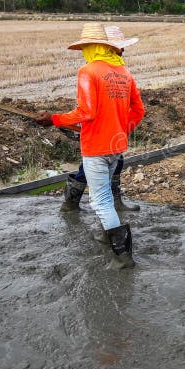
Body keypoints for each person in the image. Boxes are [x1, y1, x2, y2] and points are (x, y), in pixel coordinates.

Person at [36, 22, 145, 269]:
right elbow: (139, 110)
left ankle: (122, 256)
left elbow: (86, 111)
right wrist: (121, 128)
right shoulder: (125, 74)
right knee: (106, 192)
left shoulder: (88, 72)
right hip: (116, 145)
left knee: (101, 201)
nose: (84, 52)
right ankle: (108, 235)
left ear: (93, 47)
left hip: (95, 147)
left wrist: (53, 119)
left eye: (86, 47)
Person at [59, 26, 141, 214]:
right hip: (99, 129)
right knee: (93, 167)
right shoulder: (96, 71)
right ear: (109, 48)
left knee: (113, 162)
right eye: (120, 47)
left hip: (112, 130)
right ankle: (73, 203)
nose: (123, 50)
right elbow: (90, 107)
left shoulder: (117, 69)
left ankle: (112, 203)